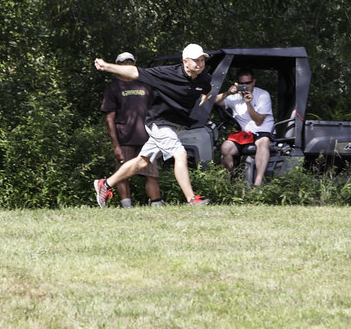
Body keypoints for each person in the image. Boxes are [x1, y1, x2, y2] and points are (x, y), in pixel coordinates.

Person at [93, 43, 213, 206]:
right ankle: (192, 199)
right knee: (180, 153)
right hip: (158, 122)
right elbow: (134, 71)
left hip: (172, 125)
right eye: (195, 60)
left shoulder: (204, 78)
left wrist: (204, 98)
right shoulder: (167, 73)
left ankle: (105, 184)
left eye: (202, 60)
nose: (200, 64)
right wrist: (107, 66)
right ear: (185, 61)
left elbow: (206, 89)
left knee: (143, 161)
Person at [100, 52, 163, 207]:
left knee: (152, 174)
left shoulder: (145, 85)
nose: (127, 64)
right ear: (117, 65)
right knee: (122, 175)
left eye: (130, 61)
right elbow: (109, 119)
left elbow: (154, 110)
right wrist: (116, 146)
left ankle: (157, 206)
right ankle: (126, 207)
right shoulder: (113, 87)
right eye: (123, 62)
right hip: (124, 139)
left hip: (147, 138)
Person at [215, 68, 275, 186]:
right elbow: (212, 101)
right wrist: (228, 93)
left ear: (253, 82)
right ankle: (229, 182)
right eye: (242, 84)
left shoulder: (263, 95)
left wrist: (248, 103)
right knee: (226, 147)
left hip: (262, 132)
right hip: (245, 134)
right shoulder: (235, 97)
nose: (245, 86)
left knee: (263, 142)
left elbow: (258, 121)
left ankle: (257, 183)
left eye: (247, 83)